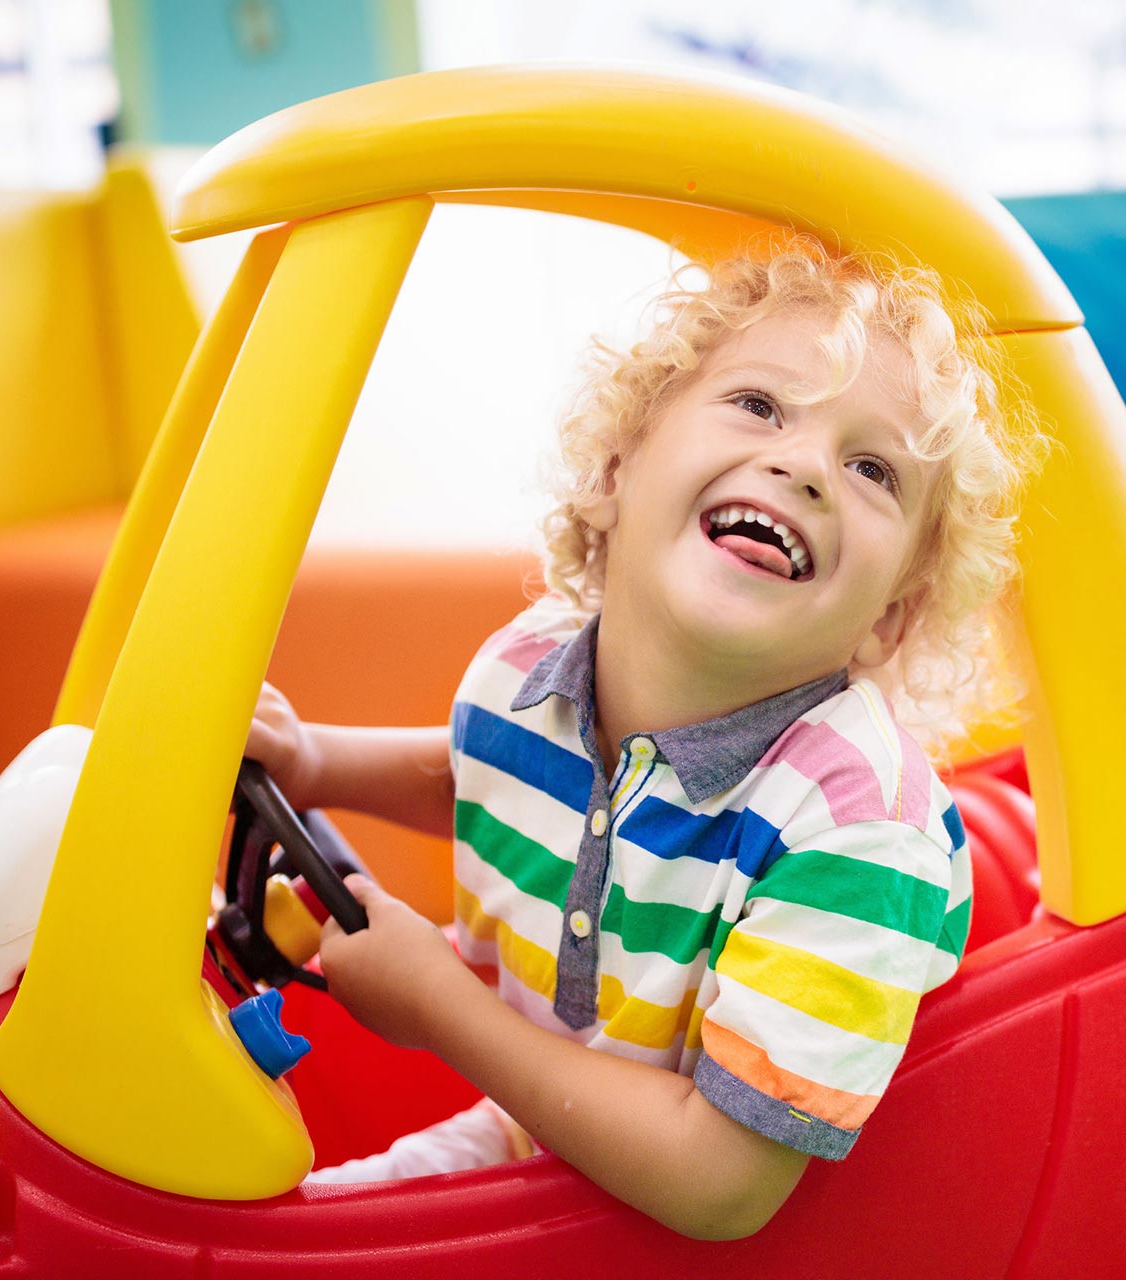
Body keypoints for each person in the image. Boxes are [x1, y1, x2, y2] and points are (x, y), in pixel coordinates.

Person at [245, 240, 1033, 1239]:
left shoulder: (857, 830)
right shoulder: (530, 664)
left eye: (872, 466)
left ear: (889, 620)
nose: (803, 465)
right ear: (616, 470)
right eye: (759, 406)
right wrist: (314, 761)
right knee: (292, 1235)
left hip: (742, 1230)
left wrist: (442, 1006)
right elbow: (488, 778)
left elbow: (720, 1182)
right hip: (539, 1139)